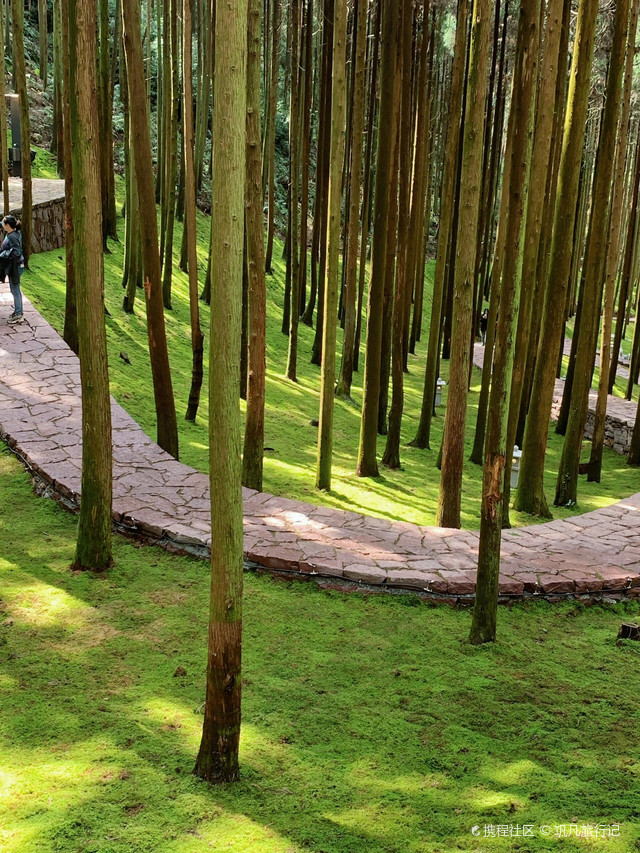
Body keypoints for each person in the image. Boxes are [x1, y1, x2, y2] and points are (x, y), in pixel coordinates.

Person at [0, 215, 25, 325]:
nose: (2, 224)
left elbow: (16, 252)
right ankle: (17, 312)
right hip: (15, 266)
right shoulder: (14, 231)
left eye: (3, 223)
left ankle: (19, 314)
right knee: (15, 289)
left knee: (15, 290)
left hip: (16, 267)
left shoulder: (12, 236)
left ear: (7, 225)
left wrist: (3, 254)